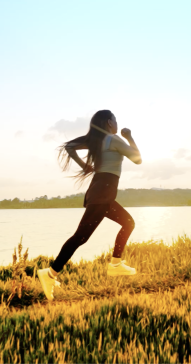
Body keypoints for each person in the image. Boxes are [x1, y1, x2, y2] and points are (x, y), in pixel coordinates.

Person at [37, 110, 142, 300]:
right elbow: (137, 159)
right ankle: (50, 273)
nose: (117, 123)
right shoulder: (114, 139)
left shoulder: (96, 141)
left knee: (128, 223)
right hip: (102, 194)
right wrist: (130, 137)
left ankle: (115, 264)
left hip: (101, 192)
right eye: (115, 120)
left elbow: (69, 146)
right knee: (80, 237)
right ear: (110, 122)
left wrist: (83, 165)